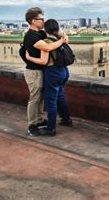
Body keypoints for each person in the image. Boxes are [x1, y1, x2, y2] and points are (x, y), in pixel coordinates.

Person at [23, 7, 67, 136]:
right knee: (34, 98)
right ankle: (32, 124)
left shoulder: (41, 34)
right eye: (41, 19)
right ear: (32, 21)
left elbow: (65, 39)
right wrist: (61, 41)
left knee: (41, 98)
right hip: (33, 72)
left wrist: (60, 35)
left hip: (41, 71)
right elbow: (47, 47)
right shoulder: (30, 37)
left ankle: (40, 120)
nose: (43, 21)